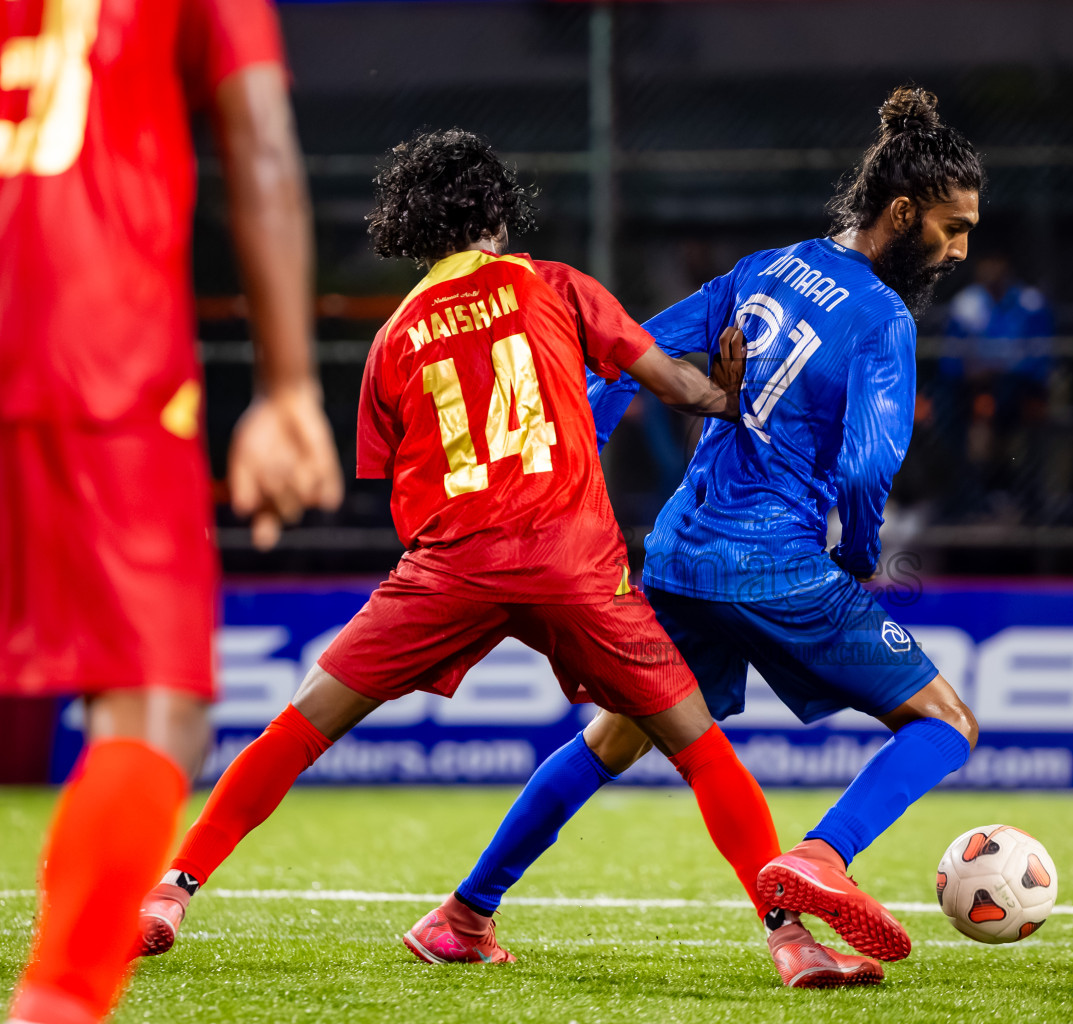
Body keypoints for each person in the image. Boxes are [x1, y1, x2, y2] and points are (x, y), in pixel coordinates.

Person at [131, 127, 856, 989]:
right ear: (497, 213)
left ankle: (170, 891)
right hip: (574, 562)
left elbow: (393, 478)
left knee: (303, 722)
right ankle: (790, 940)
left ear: (412, 225)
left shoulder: (392, 336)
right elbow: (672, 386)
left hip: (450, 565)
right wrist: (722, 395)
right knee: (697, 746)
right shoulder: (553, 285)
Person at [407, 85, 983, 977]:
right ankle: (824, 857)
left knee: (615, 735)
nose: (959, 249)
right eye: (952, 227)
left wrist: (577, 486)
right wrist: (862, 554)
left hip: (681, 555)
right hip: (778, 565)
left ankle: (463, 915)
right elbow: (870, 466)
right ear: (902, 213)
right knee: (945, 722)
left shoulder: (765, 267)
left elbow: (626, 358)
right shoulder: (884, 319)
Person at [1, 0, 343, 1020]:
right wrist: (287, 390)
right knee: (154, 697)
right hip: (89, 345)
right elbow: (261, 141)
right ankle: (59, 1001)